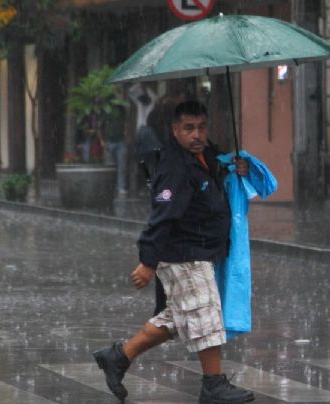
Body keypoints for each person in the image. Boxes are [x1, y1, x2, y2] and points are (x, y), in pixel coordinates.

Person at [92, 100, 254, 404]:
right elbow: (162, 216)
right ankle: (213, 385)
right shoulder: (175, 166)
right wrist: (148, 261)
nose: (197, 135)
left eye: (202, 127)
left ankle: (118, 357)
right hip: (184, 253)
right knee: (205, 313)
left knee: (179, 318)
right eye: (189, 128)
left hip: (200, 250)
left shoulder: (206, 156)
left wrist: (236, 166)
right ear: (175, 130)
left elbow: (219, 175)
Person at [100, 105, 128, 195]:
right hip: (109, 141)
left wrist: (126, 134)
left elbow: (125, 122)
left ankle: (120, 187)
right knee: (109, 167)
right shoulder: (105, 110)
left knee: (121, 167)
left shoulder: (121, 108)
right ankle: (110, 187)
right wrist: (102, 141)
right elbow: (100, 126)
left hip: (120, 141)